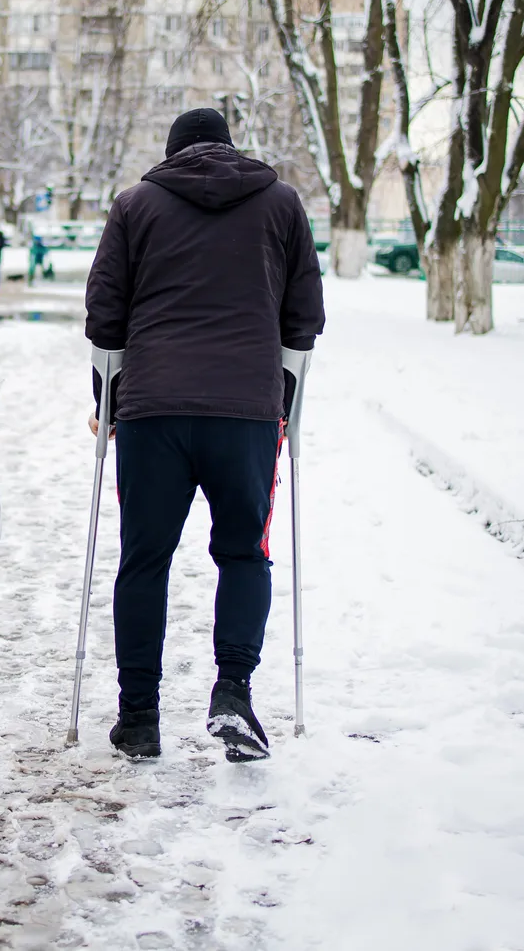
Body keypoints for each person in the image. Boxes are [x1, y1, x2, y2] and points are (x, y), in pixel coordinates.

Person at [84, 108, 325, 763]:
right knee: (244, 554)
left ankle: (138, 718)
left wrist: (106, 401)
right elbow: (305, 316)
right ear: (229, 147)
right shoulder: (281, 203)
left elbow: (104, 317)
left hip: (152, 410)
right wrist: (282, 401)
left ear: (171, 154)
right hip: (246, 411)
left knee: (144, 560)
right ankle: (234, 691)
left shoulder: (135, 205)